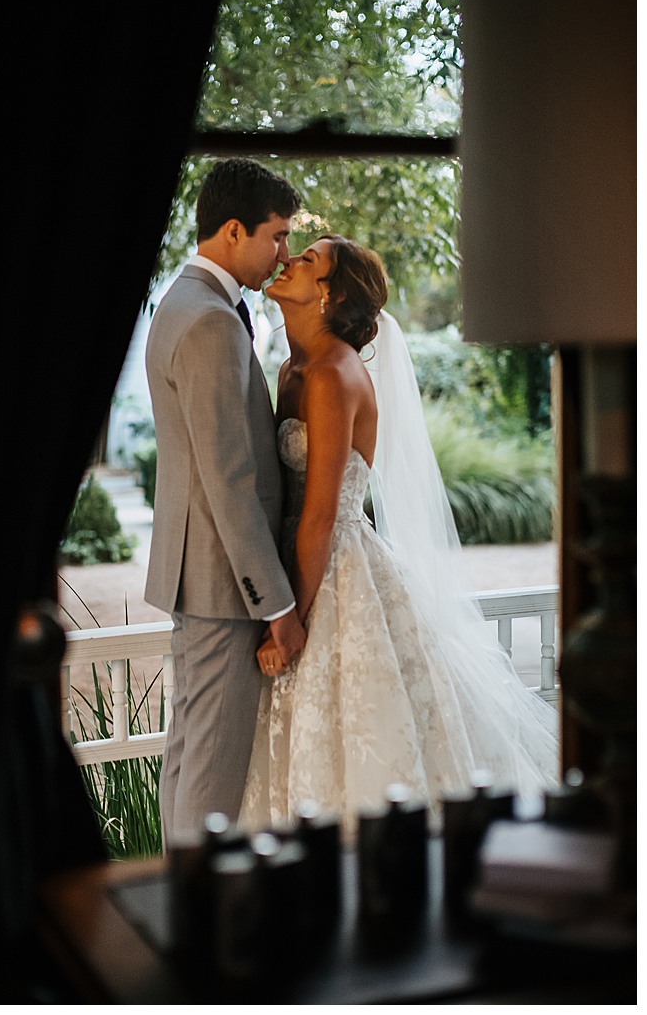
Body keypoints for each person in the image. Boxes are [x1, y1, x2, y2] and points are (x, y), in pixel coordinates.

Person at [240, 234, 559, 835]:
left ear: (329, 295)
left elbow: (321, 516)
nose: (290, 260)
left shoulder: (334, 373)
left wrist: (289, 621)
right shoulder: (292, 367)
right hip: (292, 563)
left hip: (333, 570)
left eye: (307, 260)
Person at [144, 157, 308, 844]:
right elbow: (230, 479)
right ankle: (193, 922)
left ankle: (178, 903)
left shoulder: (187, 299)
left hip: (199, 575)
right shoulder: (211, 320)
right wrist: (278, 603)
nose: (283, 253)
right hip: (223, 584)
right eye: (276, 235)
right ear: (234, 230)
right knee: (211, 769)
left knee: (187, 754)